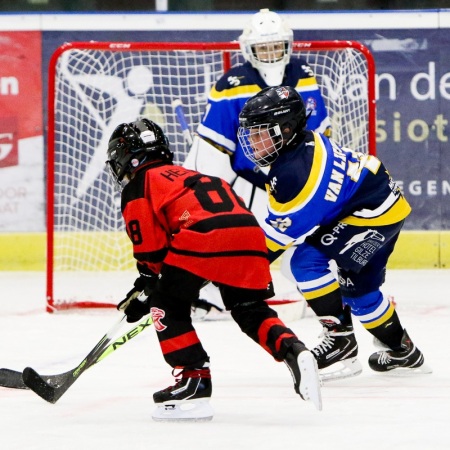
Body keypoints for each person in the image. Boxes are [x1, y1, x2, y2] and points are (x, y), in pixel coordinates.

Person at [105, 118, 322, 421]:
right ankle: (293, 350)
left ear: (125, 157)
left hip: (203, 236)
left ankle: (193, 378)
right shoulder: (190, 175)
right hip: (249, 234)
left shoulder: (140, 185)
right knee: (249, 308)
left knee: (167, 304)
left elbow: (153, 253)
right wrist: (155, 281)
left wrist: (151, 288)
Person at [236, 85, 432, 376]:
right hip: (378, 202)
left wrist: (229, 268)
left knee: (305, 262)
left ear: (286, 129)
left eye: (260, 132)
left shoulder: (293, 174)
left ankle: (341, 342)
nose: (252, 141)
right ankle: (404, 352)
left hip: (370, 213)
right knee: (361, 295)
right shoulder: (298, 146)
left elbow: (273, 243)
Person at [184, 8, 332, 321]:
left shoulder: (304, 77)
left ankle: (317, 289)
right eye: (263, 47)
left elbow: (318, 138)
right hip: (246, 182)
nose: (270, 53)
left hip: (293, 180)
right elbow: (212, 147)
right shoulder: (232, 83)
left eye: (276, 45)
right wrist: (215, 194)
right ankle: (209, 295)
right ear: (249, 49)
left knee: (304, 238)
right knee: (230, 236)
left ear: (287, 46)